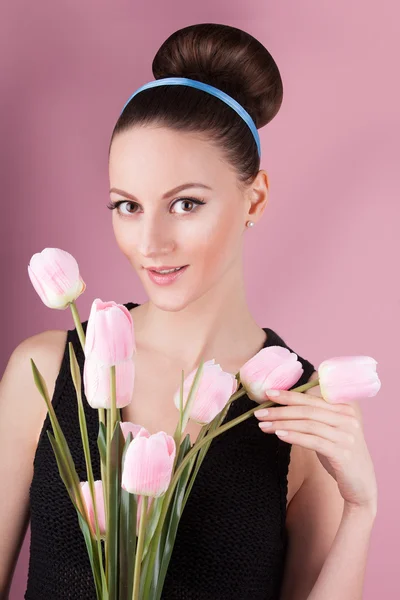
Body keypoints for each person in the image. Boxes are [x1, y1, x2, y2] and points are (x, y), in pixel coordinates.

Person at [0, 22, 377, 600]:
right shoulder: (48, 371)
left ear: (255, 198)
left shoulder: (302, 416)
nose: (150, 242)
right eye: (127, 205)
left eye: (185, 203)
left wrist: (361, 510)